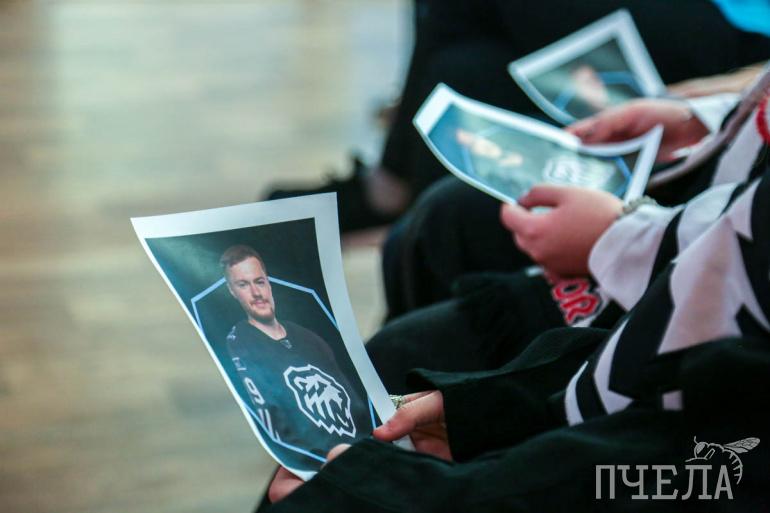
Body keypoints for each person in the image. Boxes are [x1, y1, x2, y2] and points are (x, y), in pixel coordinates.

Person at [263, 86, 770, 511]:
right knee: (443, 224)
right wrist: (486, 405)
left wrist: (404, 492)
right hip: (662, 299)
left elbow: (688, 458)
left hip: (665, 382)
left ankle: (387, 186)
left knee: (394, 370)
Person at [267, 0, 770, 233]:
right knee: (461, 71)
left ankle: (393, 187)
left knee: (462, 49)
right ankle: (425, 272)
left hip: (744, 32)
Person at [220, 245, 373, 473]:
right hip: (317, 467)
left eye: (259, 282)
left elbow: (356, 402)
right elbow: (272, 422)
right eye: (243, 285)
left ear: (269, 283)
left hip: (363, 451)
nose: (256, 292)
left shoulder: (309, 339)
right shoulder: (241, 343)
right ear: (232, 291)